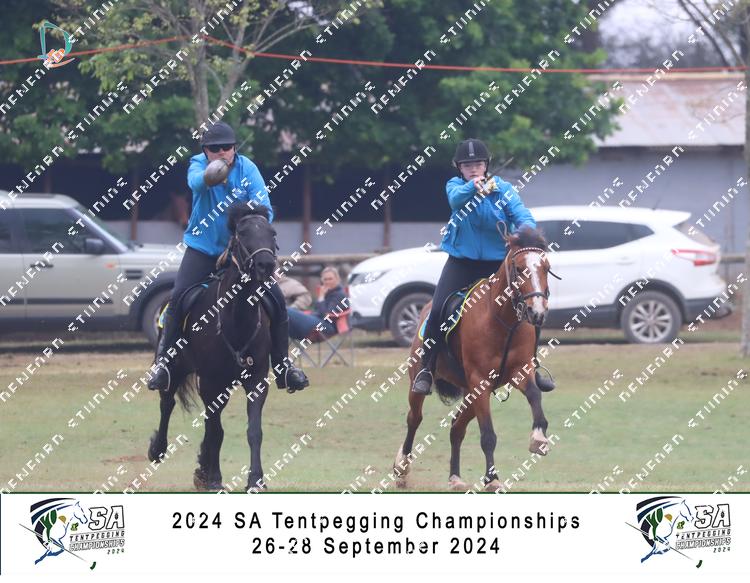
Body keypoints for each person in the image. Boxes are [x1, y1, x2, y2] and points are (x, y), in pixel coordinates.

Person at [147, 121, 309, 393]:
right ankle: (163, 363)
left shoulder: (248, 169)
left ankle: (283, 366)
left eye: (227, 147)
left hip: (240, 253)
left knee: (277, 300)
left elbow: (264, 209)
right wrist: (211, 175)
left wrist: (245, 227)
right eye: (214, 148)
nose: (221, 152)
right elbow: (195, 184)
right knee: (177, 299)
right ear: (205, 151)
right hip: (203, 249)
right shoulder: (197, 165)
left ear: (234, 148)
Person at [411, 138, 555, 395]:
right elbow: (455, 200)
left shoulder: (503, 189)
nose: (473, 169)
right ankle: (426, 367)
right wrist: (473, 188)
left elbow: (522, 215)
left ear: (486, 165)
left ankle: (532, 365)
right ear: (459, 168)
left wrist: (523, 234)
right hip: (462, 263)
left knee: (531, 306)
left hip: (496, 265)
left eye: (478, 164)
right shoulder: (455, 186)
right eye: (467, 165)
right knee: (438, 309)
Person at [287, 266, 347, 340]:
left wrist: (321, 297)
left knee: (287, 311)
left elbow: (325, 315)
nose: (327, 282)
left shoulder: (339, 295)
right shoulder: (328, 292)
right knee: (286, 317)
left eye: (330, 279)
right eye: (325, 279)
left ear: (337, 279)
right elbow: (316, 310)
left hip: (327, 327)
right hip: (317, 320)